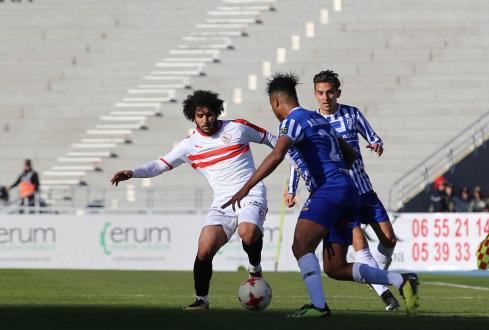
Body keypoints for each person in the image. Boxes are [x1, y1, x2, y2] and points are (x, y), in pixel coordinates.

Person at [222, 73, 419, 318]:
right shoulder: (318, 119)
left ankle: (319, 306)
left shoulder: (292, 121)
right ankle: (401, 280)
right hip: (348, 189)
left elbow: (277, 155)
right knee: (335, 267)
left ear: (275, 103)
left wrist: (245, 187)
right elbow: (350, 156)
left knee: (301, 246)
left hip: (329, 191)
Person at [110, 90, 277, 311]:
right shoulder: (189, 145)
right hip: (222, 202)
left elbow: (273, 140)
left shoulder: (237, 127)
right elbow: (160, 165)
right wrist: (133, 172)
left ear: (217, 113)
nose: (205, 120)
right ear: (193, 117)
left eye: (209, 115)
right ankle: (201, 300)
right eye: (200, 116)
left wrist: (297, 165)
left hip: (251, 192)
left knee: (247, 232)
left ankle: (254, 269)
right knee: (205, 249)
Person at [284, 70, 400, 311]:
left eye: (329, 92)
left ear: (337, 93)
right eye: (319, 93)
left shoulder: (351, 114)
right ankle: (387, 295)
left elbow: (373, 136)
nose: (325, 98)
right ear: (314, 94)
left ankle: (374, 277)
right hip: (340, 195)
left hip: (363, 188)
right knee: (360, 246)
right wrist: (291, 188)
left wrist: (376, 144)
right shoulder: (310, 121)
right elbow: (299, 159)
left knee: (389, 239)